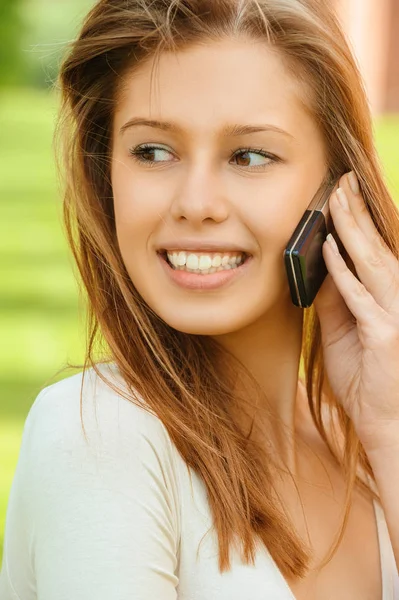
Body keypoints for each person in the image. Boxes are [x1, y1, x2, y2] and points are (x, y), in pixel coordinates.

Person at [1, 0, 399, 598]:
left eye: (249, 156)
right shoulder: (101, 434)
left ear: (336, 194)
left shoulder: (365, 442)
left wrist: (391, 434)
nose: (195, 202)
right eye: (153, 151)